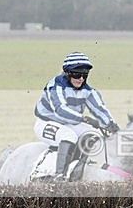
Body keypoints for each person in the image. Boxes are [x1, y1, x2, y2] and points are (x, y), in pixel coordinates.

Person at [34, 52, 120, 182]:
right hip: (46, 123)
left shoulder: (88, 90)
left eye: (84, 75)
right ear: (67, 73)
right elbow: (60, 110)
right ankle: (59, 175)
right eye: (77, 74)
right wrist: (84, 119)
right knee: (68, 136)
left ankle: (79, 169)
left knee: (95, 134)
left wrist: (111, 125)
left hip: (70, 124)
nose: (81, 78)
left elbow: (100, 109)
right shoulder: (55, 85)